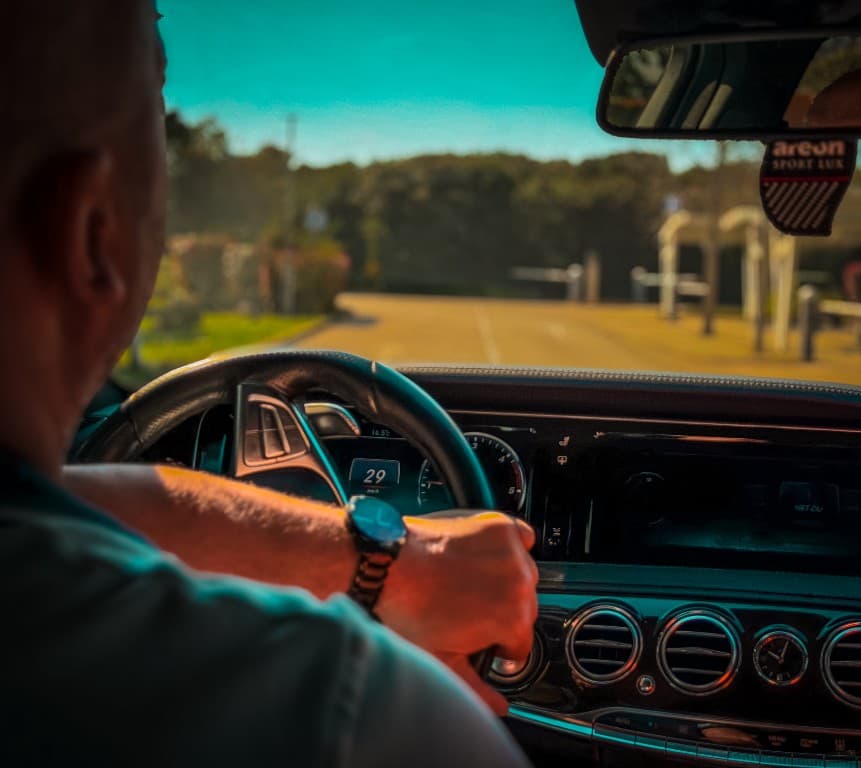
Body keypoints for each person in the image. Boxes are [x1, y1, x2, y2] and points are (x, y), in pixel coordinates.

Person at [0, 3, 536, 766]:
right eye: (159, 99)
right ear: (91, 232)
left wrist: (372, 562)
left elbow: (57, 501)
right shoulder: (357, 712)